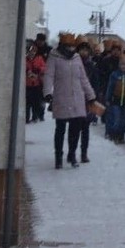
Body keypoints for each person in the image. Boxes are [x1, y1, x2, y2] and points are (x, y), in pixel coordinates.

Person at [43, 32, 97, 169]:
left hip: (77, 97)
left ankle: (72, 154)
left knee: (75, 129)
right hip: (61, 96)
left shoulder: (77, 58)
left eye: (73, 46)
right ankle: (58, 156)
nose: (71, 49)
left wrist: (91, 95)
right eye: (68, 46)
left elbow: (83, 78)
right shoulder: (54, 56)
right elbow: (49, 75)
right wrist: (48, 92)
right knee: (60, 129)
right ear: (62, 45)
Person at [25, 43, 46, 123]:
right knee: (27, 103)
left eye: (34, 51)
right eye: (31, 51)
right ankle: (26, 118)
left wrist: (38, 70)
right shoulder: (25, 59)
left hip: (36, 84)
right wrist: (27, 71)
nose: (32, 53)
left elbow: (44, 67)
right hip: (27, 84)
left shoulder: (39, 59)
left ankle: (35, 117)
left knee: (36, 102)